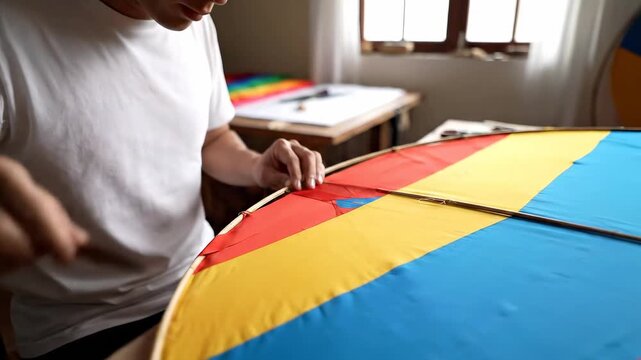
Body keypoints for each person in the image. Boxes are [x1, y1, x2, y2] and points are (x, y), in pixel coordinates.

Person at [0, 0, 325, 358]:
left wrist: (256, 166)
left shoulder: (194, 22)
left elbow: (212, 139)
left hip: (199, 276)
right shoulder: (12, 28)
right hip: (81, 323)